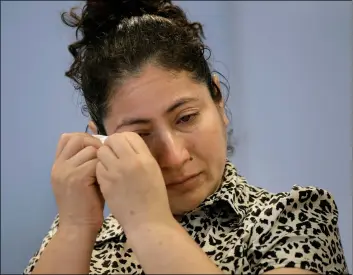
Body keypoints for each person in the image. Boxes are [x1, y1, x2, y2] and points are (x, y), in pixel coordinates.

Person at [23, 0, 348, 274]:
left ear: (217, 99)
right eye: (140, 134)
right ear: (102, 140)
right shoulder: (78, 234)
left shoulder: (295, 217)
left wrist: (150, 224)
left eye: (186, 118)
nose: (175, 156)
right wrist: (76, 227)